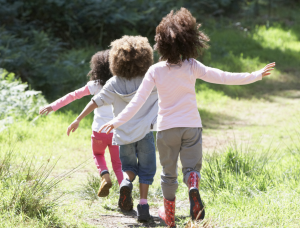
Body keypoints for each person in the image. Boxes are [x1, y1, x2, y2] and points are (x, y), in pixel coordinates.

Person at [99, 8, 275, 227]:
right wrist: (256, 75)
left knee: (168, 174)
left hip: (166, 130)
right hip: (191, 126)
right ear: (189, 41)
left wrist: (117, 121)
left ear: (160, 43)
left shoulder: (155, 70)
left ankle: (169, 216)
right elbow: (223, 77)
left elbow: (137, 102)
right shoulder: (192, 66)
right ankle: (193, 184)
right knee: (191, 168)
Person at [66, 36, 158, 222]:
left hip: (123, 135)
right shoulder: (149, 80)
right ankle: (143, 207)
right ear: (145, 57)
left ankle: (125, 183)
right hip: (145, 133)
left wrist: (77, 119)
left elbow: (94, 102)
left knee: (129, 168)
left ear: (116, 59)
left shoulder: (114, 83)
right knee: (146, 170)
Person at [39, 50, 123, 197]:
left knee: (98, 154)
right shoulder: (120, 84)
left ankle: (105, 176)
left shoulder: (96, 85)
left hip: (99, 131)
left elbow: (73, 96)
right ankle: (125, 192)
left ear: (97, 68)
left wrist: (53, 106)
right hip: (116, 131)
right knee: (118, 164)